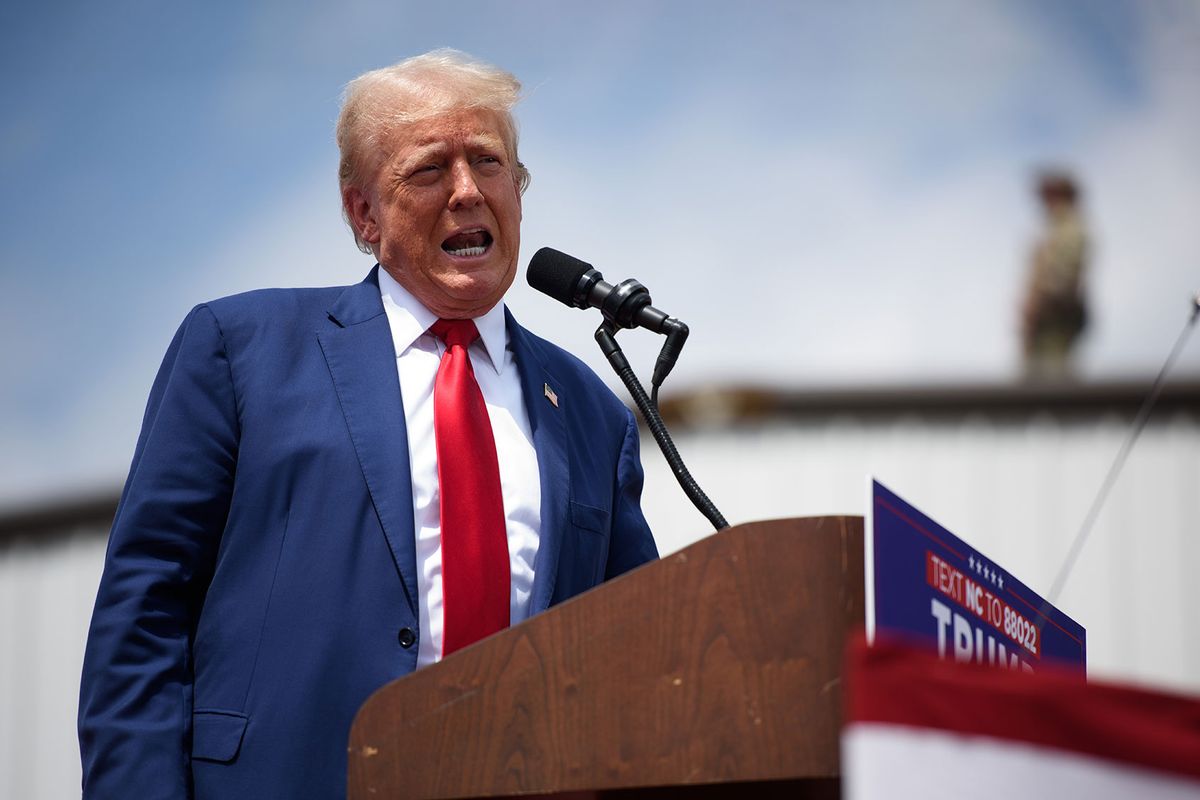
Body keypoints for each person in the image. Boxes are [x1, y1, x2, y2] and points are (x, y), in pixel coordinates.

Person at [78, 49, 658, 799]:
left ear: (518, 189)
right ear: (363, 214)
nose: (466, 191)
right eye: (427, 170)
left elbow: (637, 652)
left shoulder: (590, 411)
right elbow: (144, 613)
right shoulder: (243, 348)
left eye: (488, 162)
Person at [1020, 171, 1089, 378]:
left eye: (1050, 195)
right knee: (1038, 378)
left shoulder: (1070, 228)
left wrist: (1038, 303)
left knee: (1053, 377)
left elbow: (1063, 280)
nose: (1046, 202)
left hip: (1054, 319)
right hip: (1044, 323)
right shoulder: (1055, 229)